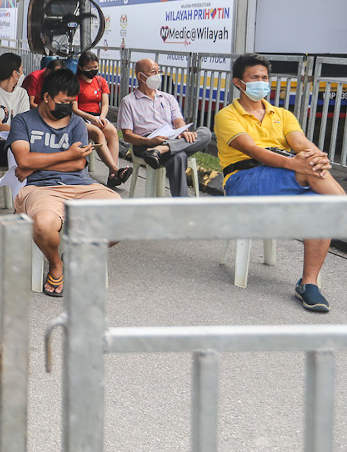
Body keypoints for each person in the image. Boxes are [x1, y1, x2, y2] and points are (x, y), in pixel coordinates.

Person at [215, 53, 344, 312]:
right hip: (243, 180)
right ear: (239, 83)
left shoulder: (281, 115)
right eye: (255, 78)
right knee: (309, 170)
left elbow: (300, 143)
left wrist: (316, 156)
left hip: (283, 178)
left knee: (322, 202)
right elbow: (255, 151)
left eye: (265, 77)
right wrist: (296, 164)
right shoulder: (227, 115)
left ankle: (309, 284)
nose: (261, 82)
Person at [8, 69, 120, 297]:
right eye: (62, 101)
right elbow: (23, 159)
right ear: (46, 96)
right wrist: (68, 154)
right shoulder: (23, 121)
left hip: (82, 186)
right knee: (43, 223)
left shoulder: (77, 123)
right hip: (41, 188)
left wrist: (34, 164)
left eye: (71, 102)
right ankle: (56, 263)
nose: (67, 107)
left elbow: (79, 166)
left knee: (124, 215)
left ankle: (79, 253)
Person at [118, 58, 211, 198]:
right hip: (145, 144)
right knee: (179, 156)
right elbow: (127, 135)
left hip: (169, 138)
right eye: (153, 72)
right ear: (140, 76)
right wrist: (149, 142)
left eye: (158, 71)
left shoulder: (168, 98)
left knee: (205, 133)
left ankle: (164, 148)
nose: (157, 75)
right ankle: (181, 204)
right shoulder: (128, 101)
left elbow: (178, 120)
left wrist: (184, 132)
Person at [72, 51, 132, 188]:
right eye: (89, 68)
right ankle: (115, 170)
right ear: (81, 67)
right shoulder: (75, 82)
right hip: (81, 117)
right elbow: (74, 108)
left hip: (98, 115)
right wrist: (91, 118)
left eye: (95, 67)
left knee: (112, 131)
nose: (93, 71)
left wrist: (102, 118)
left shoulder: (100, 81)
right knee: (98, 134)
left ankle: (112, 174)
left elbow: (105, 104)